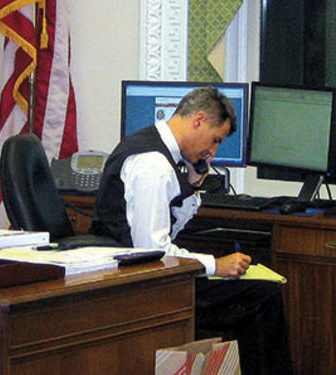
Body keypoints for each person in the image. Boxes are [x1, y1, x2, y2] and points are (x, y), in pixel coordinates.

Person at [91, 86, 293, 375]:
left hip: (138, 274)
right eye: (215, 140)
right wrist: (215, 266)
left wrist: (193, 185)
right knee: (261, 296)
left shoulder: (160, 152)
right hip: (134, 284)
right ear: (198, 120)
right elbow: (155, 253)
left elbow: (167, 231)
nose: (213, 151)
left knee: (253, 292)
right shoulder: (154, 164)